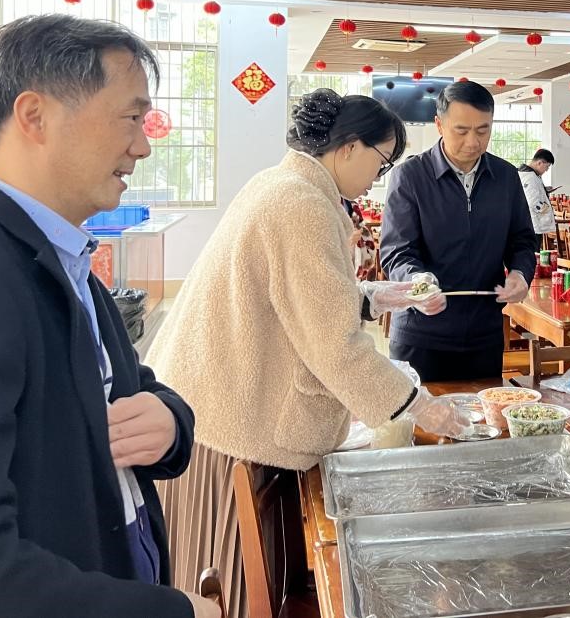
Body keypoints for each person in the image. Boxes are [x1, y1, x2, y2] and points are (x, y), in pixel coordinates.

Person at [0, 14, 212, 617]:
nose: (143, 146)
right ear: (35, 116)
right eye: (130, 118)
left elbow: (132, 386)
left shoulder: (60, 254)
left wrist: (170, 422)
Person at [146, 89, 467, 617]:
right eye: (382, 161)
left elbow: (301, 297)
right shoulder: (302, 205)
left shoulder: (283, 184)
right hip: (234, 418)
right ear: (349, 147)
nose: (379, 177)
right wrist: (420, 406)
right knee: (238, 584)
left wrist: (373, 295)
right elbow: (333, 346)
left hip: (211, 401)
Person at [379, 80, 539, 382]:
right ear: (439, 125)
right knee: (417, 413)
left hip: (484, 333)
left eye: (483, 130)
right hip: (421, 333)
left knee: (484, 411)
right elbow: (396, 251)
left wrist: (520, 273)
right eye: (461, 131)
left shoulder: (505, 177)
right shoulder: (410, 176)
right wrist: (418, 282)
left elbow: (522, 240)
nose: (473, 142)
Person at [518, 148, 557, 237]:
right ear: (540, 163)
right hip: (534, 224)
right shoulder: (530, 177)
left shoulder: (528, 174)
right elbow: (533, 202)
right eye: (547, 166)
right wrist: (547, 210)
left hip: (529, 223)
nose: (547, 170)